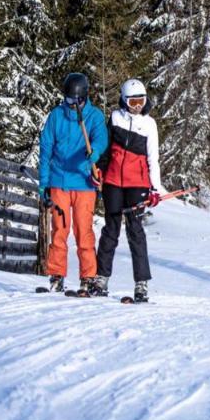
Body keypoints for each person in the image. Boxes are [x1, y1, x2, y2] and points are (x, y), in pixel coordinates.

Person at [92, 78, 166, 303]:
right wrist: (99, 172)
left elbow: (153, 158)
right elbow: (105, 150)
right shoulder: (114, 118)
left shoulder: (149, 124)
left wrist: (155, 188)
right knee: (110, 230)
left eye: (141, 101)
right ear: (124, 100)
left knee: (135, 231)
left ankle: (141, 284)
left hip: (137, 184)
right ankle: (101, 278)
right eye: (133, 101)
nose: (137, 106)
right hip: (114, 182)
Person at [38, 72, 108, 295]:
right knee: (59, 230)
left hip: (84, 183)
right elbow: (46, 149)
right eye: (69, 100)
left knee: (83, 231)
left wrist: (94, 152)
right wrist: (44, 183)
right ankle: (56, 275)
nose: (72, 105)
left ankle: (87, 277)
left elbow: (101, 139)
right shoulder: (56, 116)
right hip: (59, 182)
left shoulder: (94, 117)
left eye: (76, 101)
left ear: (84, 97)